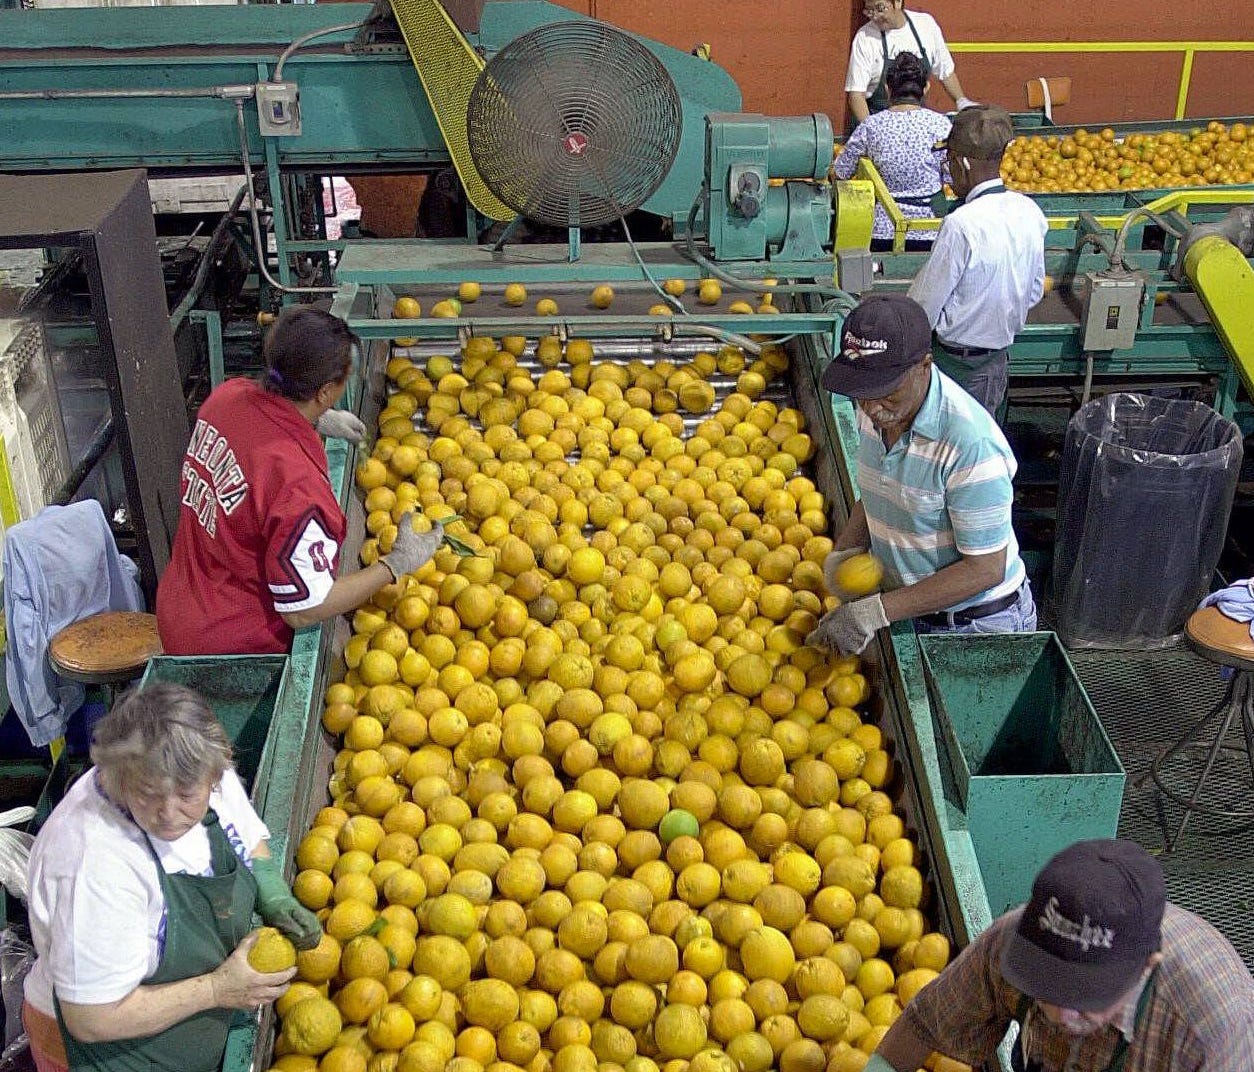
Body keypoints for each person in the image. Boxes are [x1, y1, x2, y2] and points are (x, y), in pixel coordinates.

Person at [22, 683, 316, 1072]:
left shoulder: (194, 763)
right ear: (118, 773)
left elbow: (248, 839)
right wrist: (216, 989)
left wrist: (271, 889)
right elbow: (90, 1018)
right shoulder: (94, 863)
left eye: (187, 796)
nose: (169, 813)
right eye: (148, 794)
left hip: (181, 1035)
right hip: (108, 1051)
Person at [156, 305, 442, 655]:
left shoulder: (226, 397)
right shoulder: (297, 486)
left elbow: (255, 432)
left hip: (181, 604)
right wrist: (394, 565)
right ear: (323, 391)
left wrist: (314, 420)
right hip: (229, 646)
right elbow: (304, 609)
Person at [865, 839, 1254, 1072]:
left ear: (1145, 968)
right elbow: (925, 1024)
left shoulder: (1211, 1031)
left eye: (1084, 996)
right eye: (1047, 984)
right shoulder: (1014, 940)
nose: (1060, 1015)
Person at [808, 293, 1035, 656]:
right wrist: (845, 553)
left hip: (972, 630)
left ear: (925, 365)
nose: (870, 407)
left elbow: (985, 569)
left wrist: (876, 612)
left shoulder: (970, 445)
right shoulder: (880, 412)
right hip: (913, 612)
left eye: (885, 391)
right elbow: (879, 493)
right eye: (862, 392)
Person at [907, 105, 1048, 417]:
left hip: (955, 367)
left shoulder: (962, 224)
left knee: (948, 452)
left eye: (949, 162)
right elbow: (1035, 291)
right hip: (997, 363)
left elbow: (926, 305)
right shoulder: (1030, 212)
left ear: (963, 163)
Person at [832, 53, 952, 251]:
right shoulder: (941, 125)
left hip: (881, 233)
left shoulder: (871, 126)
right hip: (931, 233)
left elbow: (840, 173)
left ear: (888, 89)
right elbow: (952, 177)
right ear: (926, 88)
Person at [845, 0, 973, 125]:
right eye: (870, 11)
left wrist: (961, 101)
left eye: (880, 8)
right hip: (877, 117)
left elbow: (945, 72)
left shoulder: (926, 25)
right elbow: (856, 95)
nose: (875, 16)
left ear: (898, 2)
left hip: (917, 121)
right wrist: (871, 131)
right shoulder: (865, 37)